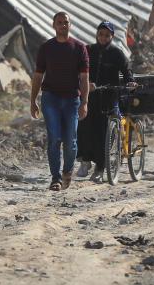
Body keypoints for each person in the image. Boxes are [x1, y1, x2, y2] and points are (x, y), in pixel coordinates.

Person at [30, 11, 90, 191]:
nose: (63, 25)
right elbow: (38, 75)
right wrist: (33, 100)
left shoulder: (79, 48)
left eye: (66, 22)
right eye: (60, 22)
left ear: (70, 25)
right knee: (55, 138)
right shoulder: (46, 48)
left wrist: (85, 102)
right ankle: (55, 178)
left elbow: (84, 78)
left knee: (70, 141)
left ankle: (67, 171)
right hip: (51, 99)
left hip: (72, 99)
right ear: (53, 25)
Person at [77, 21, 134, 180]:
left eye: (107, 35)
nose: (103, 37)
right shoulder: (88, 50)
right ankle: (85, 161)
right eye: (101, 34)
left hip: (109, 97)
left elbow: (126, 71)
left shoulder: (117, 53)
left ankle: (100, 168)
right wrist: (83, 84)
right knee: (84, 127)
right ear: (97, 35)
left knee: (103, 132)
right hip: (89, 96)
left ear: (112, 37)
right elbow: (80, 71)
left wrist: (130, 81)